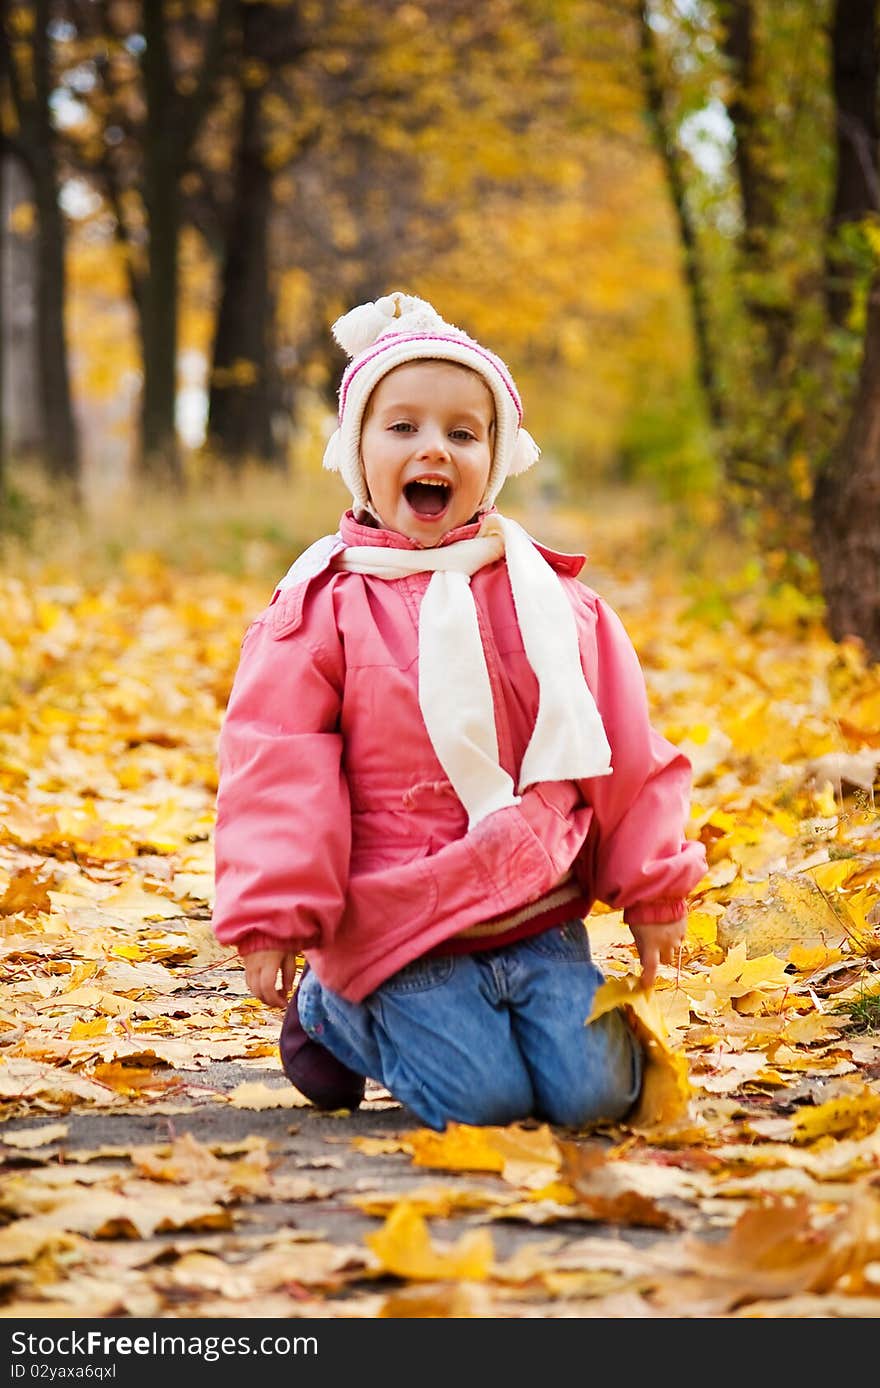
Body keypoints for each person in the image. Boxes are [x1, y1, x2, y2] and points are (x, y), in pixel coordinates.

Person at [211, 291, 707, 1131]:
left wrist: (654, 890)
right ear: (357, 454)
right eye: (401, 427)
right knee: (484, 1102)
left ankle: (507, 1026)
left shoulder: (556, 606)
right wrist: (275, 914)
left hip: (536, 916)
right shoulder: (324, 608)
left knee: (595, 1098)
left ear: (496, 457)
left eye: (461, 433)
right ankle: (334, 1010)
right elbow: (278, 762)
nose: (431, 447)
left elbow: (626, 751)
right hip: (399, 923)